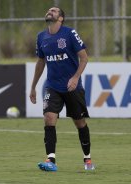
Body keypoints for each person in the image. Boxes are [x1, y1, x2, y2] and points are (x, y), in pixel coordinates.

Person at [29, 6, 95, 171]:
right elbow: (40, 62)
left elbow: (84, 58)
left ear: (61, 18)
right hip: (52, 86)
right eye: (49, 10)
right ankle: (51, 160)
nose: (50, 11)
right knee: (49, 118)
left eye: (54, 11)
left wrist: (75, 77)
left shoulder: (70, 33)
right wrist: (33, 87)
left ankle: (87, 159)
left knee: (79, 123)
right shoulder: (41, 37)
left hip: (72, 87)